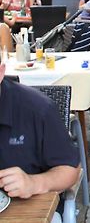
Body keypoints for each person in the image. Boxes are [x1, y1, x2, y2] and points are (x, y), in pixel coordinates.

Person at [0, 64, 80, 218]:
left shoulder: (37, 109)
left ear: (1, 71)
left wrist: (33, 183)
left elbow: (70, 170)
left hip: (30, 211)